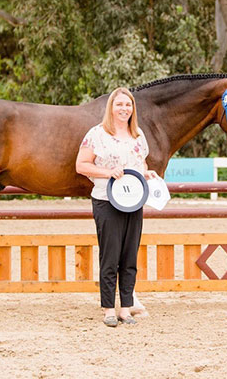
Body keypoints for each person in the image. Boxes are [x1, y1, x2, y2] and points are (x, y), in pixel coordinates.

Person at [76, 87, 156, 327]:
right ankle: (109, 308)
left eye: (128, 105)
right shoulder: (97, 134)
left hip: (133, 201)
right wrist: (107, 172)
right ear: (111, 107)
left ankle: (125, 308)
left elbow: (140, 163)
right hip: (106, 200)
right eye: (119, 104)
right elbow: (81, 165)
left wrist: (147, 173)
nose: (124, 109)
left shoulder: (138, 135)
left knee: (129, 256)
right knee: (110, 256)